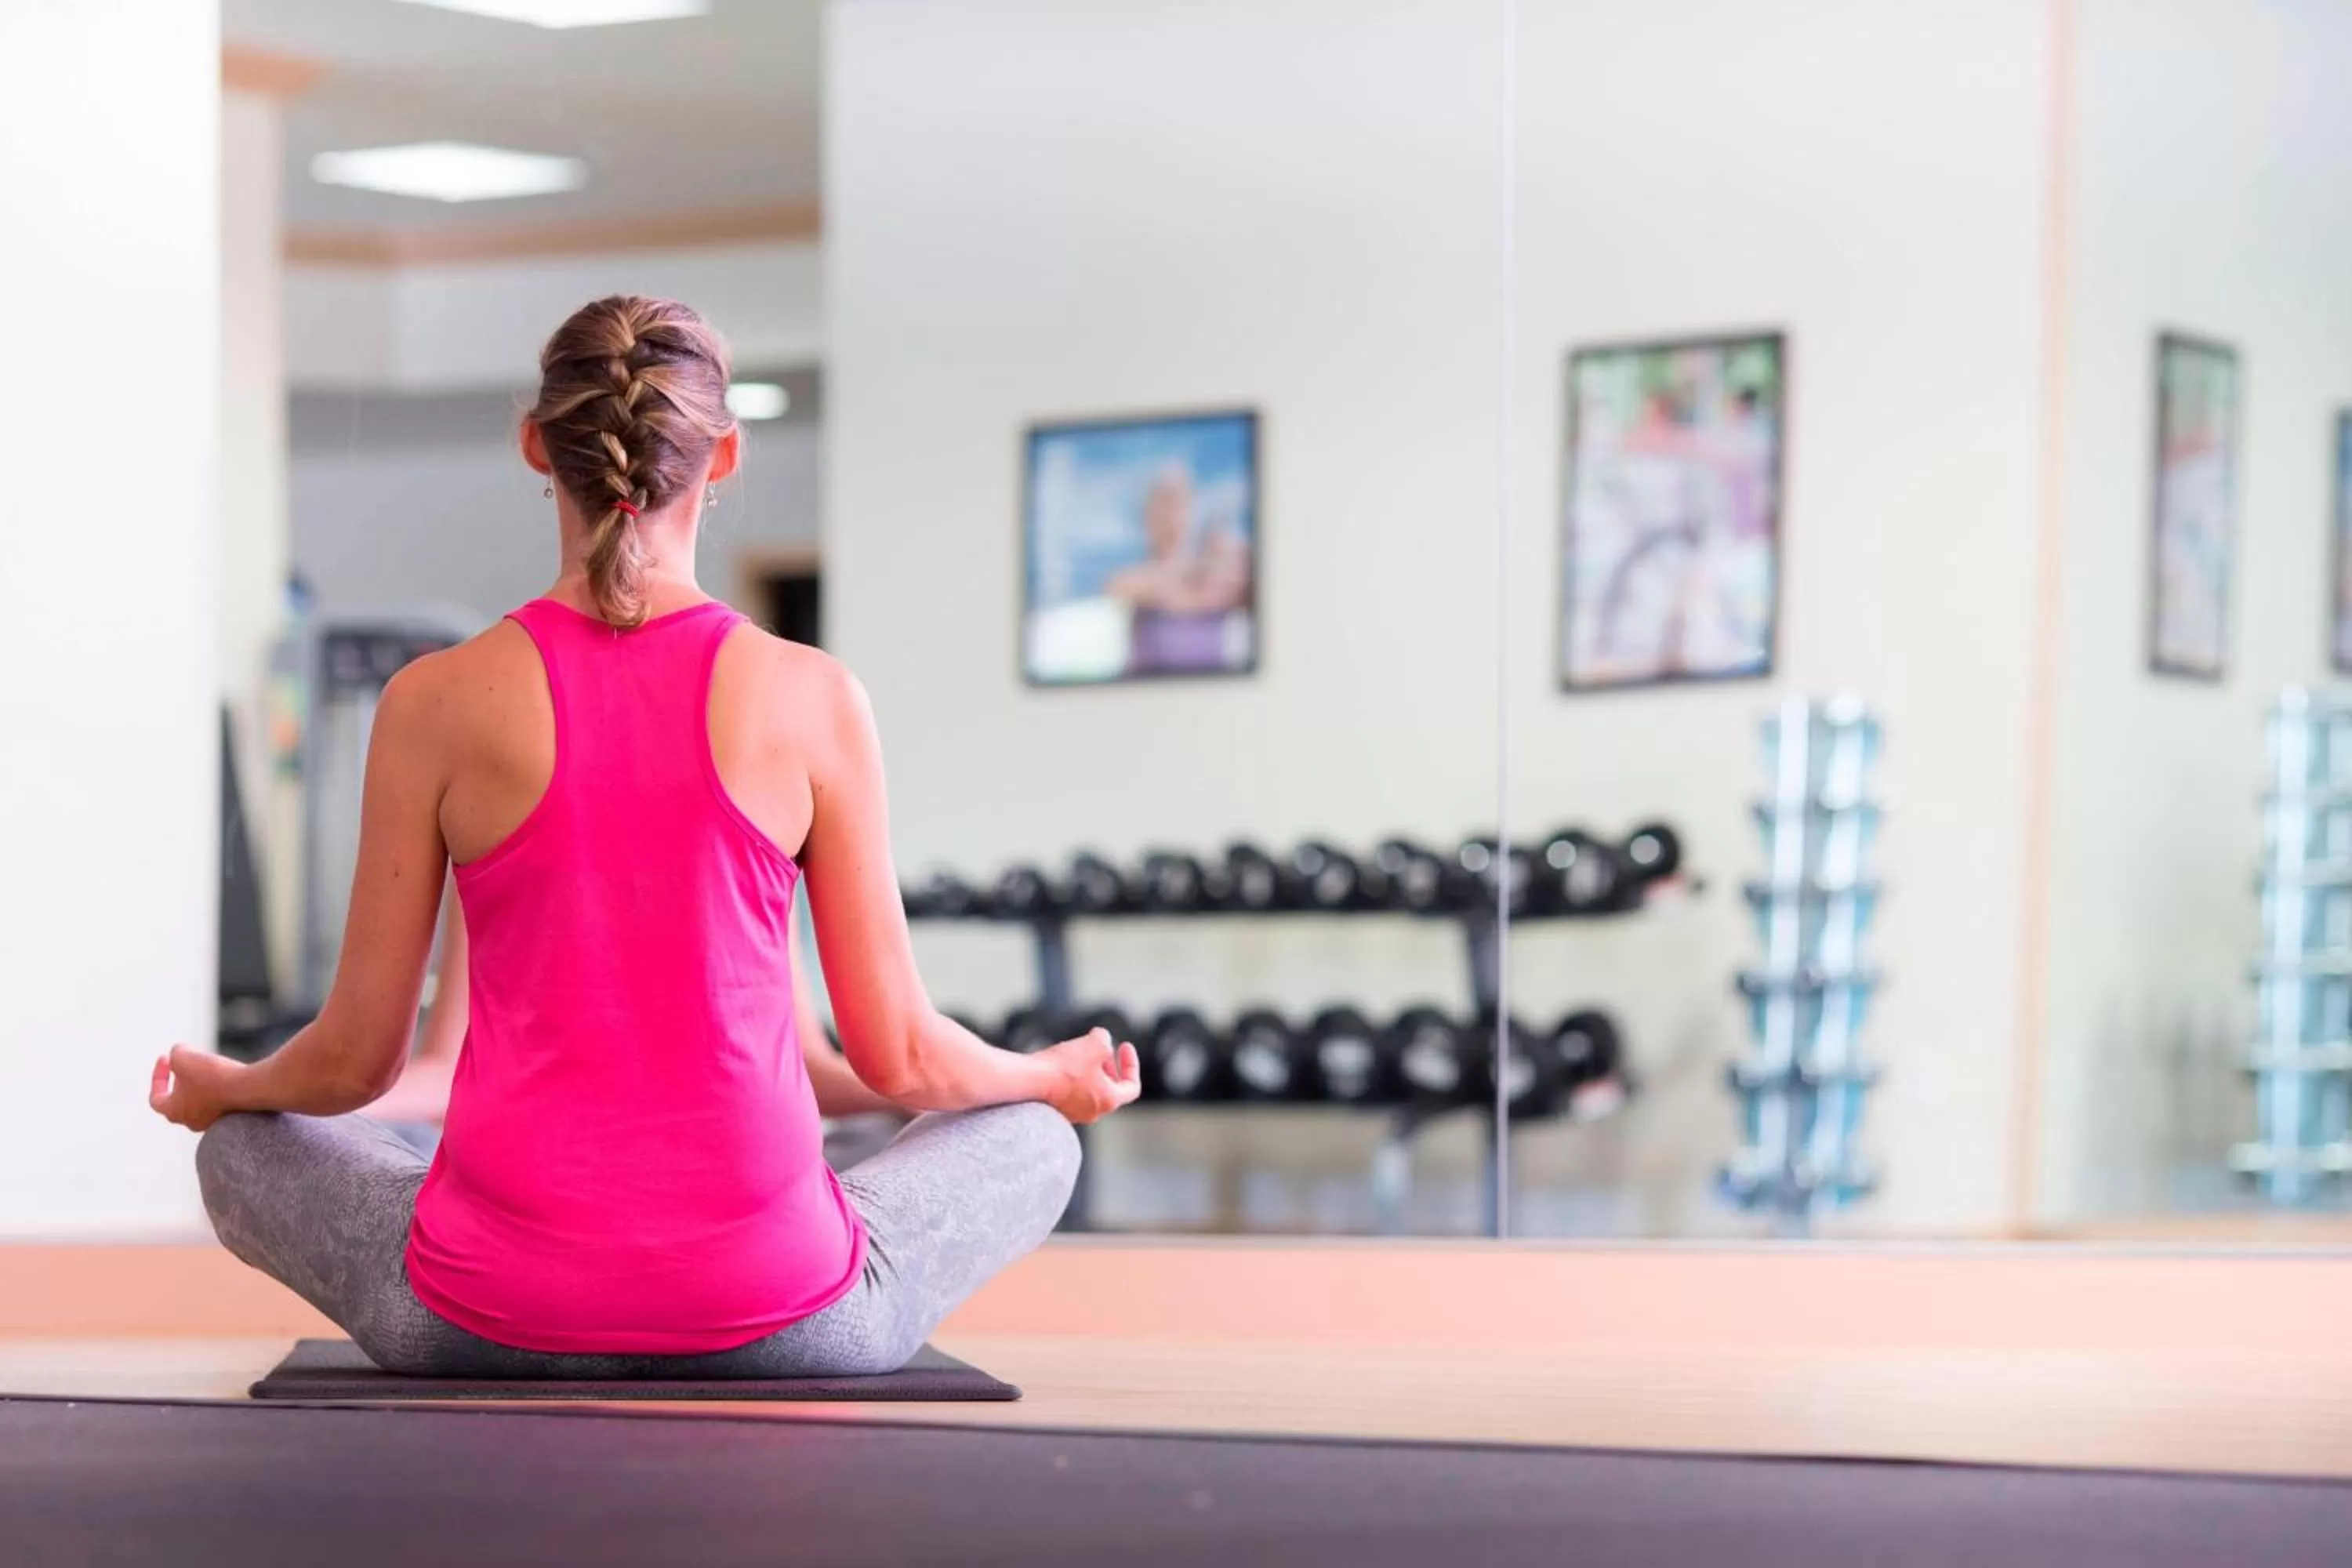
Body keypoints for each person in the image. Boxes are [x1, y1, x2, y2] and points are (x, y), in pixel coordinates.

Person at [151, 295, 1140, 1377]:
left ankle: (547, 1303)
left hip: (481, 1318)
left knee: (244, 1151)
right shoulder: (814, 697)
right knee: (1032, 1137)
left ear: (536, 445)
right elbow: (900, 1054)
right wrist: (1043, 1079)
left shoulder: (433, 702)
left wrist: (227, 1090)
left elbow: (351, 1063)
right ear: (722, 458)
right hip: (787, 1316)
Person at [1102, 464, 1250, 674]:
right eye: (1164, 503)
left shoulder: (1222, 568)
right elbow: (1116, 587)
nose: (1171, 516)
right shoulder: (1133, 580)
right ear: (1147, 514)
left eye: (1179, 503)